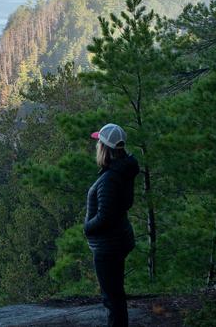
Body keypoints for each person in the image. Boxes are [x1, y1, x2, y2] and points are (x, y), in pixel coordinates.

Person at [84, 123, 139, 327]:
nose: (96, 144)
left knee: (112, 298)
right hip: (120, 239)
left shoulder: (110, 179)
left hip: (109, 246)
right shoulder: (123, 171)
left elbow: (105, 216)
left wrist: (87, 227)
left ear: (104, 148)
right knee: (116, 293)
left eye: (99, 142)